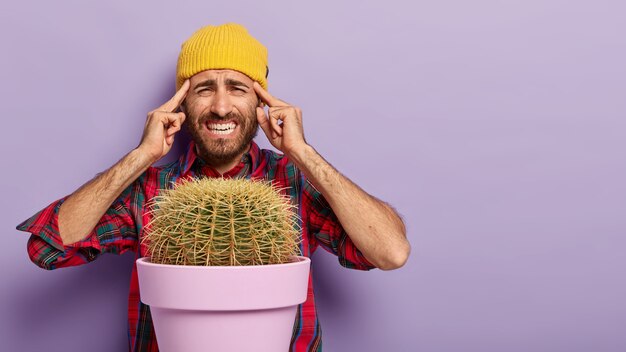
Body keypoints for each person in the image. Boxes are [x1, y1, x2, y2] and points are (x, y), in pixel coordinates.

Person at [16, 23, 410, 351]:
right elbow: (47, 249)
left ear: (261, 101)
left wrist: (303, 153)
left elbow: (390, 252)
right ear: (181, 104)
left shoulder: (292, 182)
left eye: (238, 87)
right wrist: (141, 156)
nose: (221, 106)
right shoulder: (151, 189)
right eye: (204, 88)